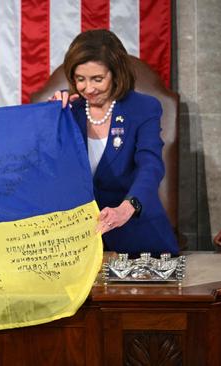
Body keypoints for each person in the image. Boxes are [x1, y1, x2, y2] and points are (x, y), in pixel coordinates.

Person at [51, 29, 178, 256]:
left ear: (116, 74)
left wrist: (128, 208)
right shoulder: (67, 110)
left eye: (97, 79)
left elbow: (150, 166)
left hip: (136, 236)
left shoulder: (143, 108)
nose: (88, 88)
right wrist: (50, 118)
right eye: (80, 79)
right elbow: (44, 168)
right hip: (78, 243)